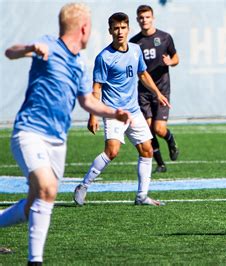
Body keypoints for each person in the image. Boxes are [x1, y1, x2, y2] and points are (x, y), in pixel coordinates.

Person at [0, 3, 132, 265]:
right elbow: (9, 52)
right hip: (29, 132)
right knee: (47, 189)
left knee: (33, 204)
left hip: (58, 141)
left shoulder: (80, 63)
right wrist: (29, 48)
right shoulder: (47, 44)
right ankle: (34, 260)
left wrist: (112, 112)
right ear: (83, 28)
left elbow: (87, 101)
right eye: (90, 27)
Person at [73, 12, 170, 207]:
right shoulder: (104, 57)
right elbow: (97, 89)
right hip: (113, 112)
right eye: (116, 28)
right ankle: (83, 185)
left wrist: (158, 93)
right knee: (112, 151)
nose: (119, 32)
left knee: (147, 150)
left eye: (123, 28)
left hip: (133, 111)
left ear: (128, 29)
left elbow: (142, 74)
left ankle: (142, 196)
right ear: (110, 30)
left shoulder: (135, 50)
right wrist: (93, 116)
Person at [130, 5, 180, 173]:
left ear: (153, 18)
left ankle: (170, 139)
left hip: (162, 89)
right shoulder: (134, 43)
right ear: (137, 20)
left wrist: (170, 62)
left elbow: (176, 58)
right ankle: (160, 164)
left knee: (159, 129)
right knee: (147, 130)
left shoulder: (165, 38)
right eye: (141, 18)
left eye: (147, 17)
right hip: (144, 91)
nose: (144, 20)